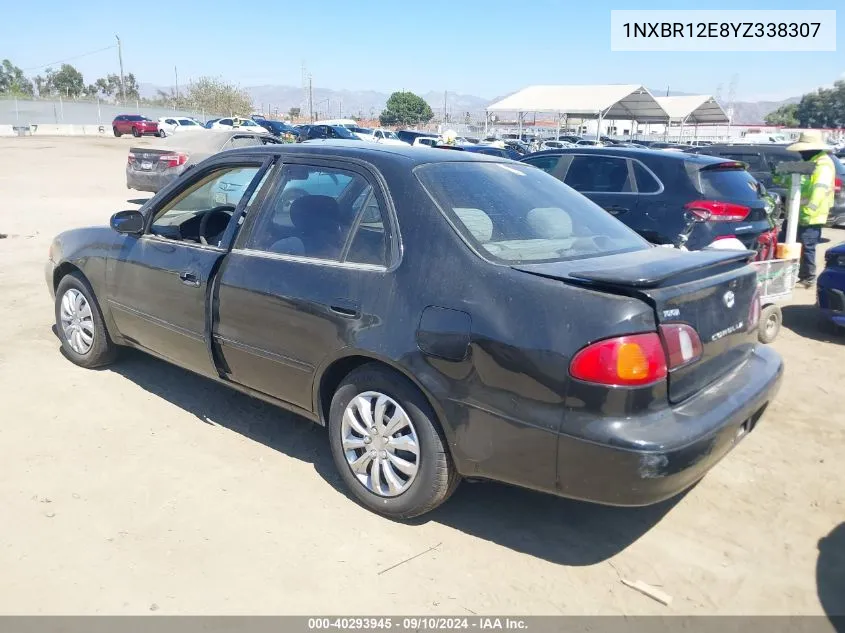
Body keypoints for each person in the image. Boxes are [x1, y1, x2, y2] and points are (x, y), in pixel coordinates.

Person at [784, 130, 836, 288]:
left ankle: (808, 278)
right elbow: (786, 179)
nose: (800, 152)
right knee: (787, 244)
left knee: (807, 247)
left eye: (802, 149)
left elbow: (819, 191)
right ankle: (792, 275)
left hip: (811, 216)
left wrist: (808, 212)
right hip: (796, 215)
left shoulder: (823, 164)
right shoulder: (809, 162)